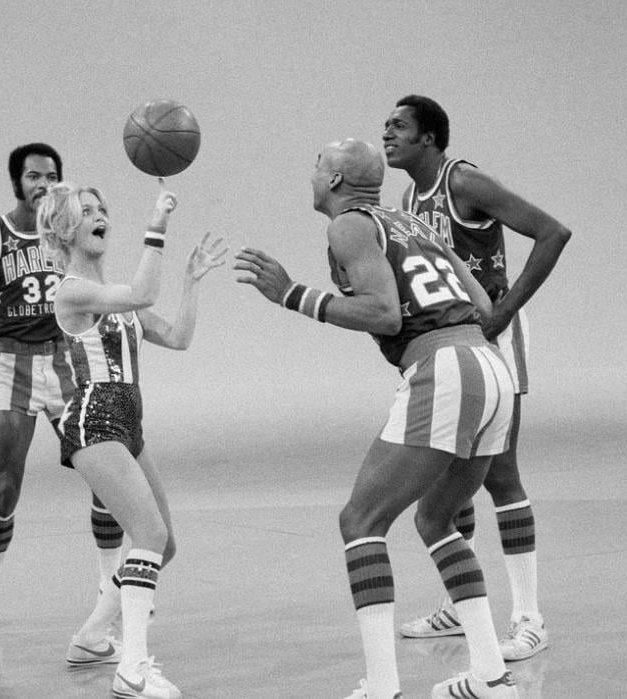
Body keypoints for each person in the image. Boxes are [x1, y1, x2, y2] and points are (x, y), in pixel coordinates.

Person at [234, 139, 518, 698]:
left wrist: (291, 294)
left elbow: (386, 315)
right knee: (437, 521)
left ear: (338, 181)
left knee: (360, 522)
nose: (311, 172)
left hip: (444, 368)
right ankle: (491, 677)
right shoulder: (414, 224)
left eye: (318, 164)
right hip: (490, 366)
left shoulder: (350, 225)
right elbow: (485, 306)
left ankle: (383, 688)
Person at [383, 95, 571, 660]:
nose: (386, 134)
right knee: (451, 464)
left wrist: (505, 310)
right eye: (385, 125)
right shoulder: (409, 197)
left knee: (500, 475)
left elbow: (552, 232)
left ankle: (529, 618)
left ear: (430, 139)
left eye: (399, 126)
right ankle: (459, 605)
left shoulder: (462, 182)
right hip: (452, 347)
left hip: (493, 339)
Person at [37, 181, 225, 699]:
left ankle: (92, 637)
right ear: (64, 229)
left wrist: (190, 281)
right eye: (86, 211)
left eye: (103, 208)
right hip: (94, 418)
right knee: (148, 536)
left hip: (129, 421)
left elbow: (179, 337)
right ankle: (133, 671)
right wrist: (157, 225)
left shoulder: (118, 295)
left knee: (163, 543)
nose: (100, 216)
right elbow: (142, 291)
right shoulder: (72, 290)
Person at [0, 143, 126, 633]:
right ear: (16, 182)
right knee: (5, 485)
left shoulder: (70, 234)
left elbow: (101, 288)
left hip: (69, 360)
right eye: (33, 176)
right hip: (13, 366)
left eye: (51, 176)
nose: (43, 184)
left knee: (106, 475)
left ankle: (110, 587)